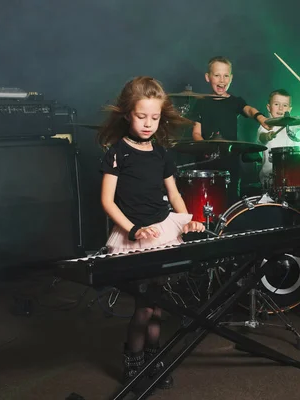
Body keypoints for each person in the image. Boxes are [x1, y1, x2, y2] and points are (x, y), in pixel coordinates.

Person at [97, 76, 205, 387]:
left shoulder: (161, 153)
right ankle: (133, 363)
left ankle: (154, 361)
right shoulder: (118, 152)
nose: (148, 124)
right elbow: (106, 200)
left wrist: (186, 220)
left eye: (154, 118)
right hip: (133, 234)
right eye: (141, 116)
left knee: (158, 305)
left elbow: (173, 194)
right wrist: (132, 229)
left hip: (162, 230)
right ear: (127, 114)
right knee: (144, 306)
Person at [190, 56, 270, 204]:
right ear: (208, 77)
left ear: (231, 78)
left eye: (226, 76)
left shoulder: (235, 102)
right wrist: (205, 147)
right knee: (205, 202)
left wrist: (260, 118)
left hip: (230, 163)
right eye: (217, 75)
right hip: (206, 163)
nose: (222, 80)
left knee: (230, 202)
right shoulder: (201, 103)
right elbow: (196, 133)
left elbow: (249, 110)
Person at [257, 87, 300, 188]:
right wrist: (268, 135)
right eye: (276, 104)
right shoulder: (265, 126)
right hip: (270, 179)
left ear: (289, 109)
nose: (281, 108)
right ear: (269, 107)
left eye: (285, 105)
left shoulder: (291, 125)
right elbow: (262, 137)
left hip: (292, 176)